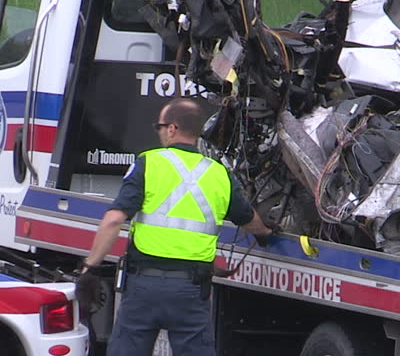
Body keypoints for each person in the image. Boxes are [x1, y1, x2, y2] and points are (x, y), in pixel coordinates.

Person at [76, 98, 272, 356]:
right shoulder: (219, 173)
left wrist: (90, 267)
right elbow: (248, 219)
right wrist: (266, 233)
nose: (158, 132)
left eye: (159, 126)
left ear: (171, 129)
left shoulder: (148, 163)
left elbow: (113, 220)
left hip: (143, 287)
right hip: (190, 291)